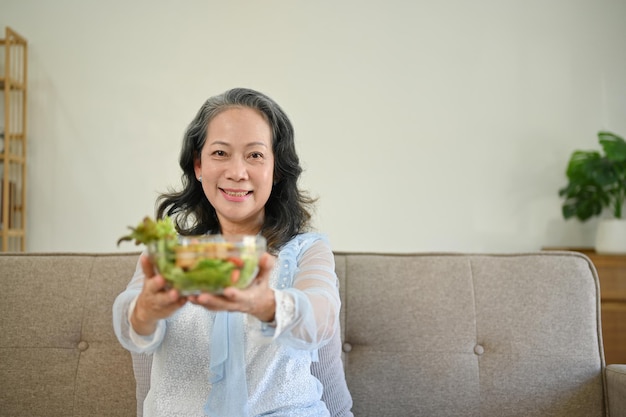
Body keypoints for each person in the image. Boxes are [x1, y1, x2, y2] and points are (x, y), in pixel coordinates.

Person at [113, 87, 353, 417]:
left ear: (276, 169)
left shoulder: (307, 251)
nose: (237, 172)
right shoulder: (170, 252)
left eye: (255, 155)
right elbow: (130, 325)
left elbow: (320, 319)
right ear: (198, 165)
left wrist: (266, 305)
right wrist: (146, 310)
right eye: (220, 153)